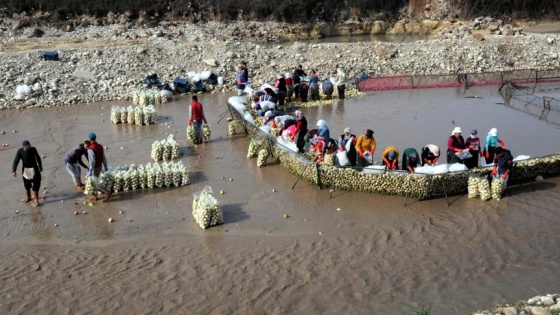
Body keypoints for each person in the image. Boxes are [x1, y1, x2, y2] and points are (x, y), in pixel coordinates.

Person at [12, 140, 43, 206]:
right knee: (27, 184)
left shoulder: (33, 149)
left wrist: (40, 166)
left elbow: (38, 158)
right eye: (26, 147)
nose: (28, 148)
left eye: (29, 146)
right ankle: (28, 197)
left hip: (34, 168)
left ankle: (36, 199)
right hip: (26, 170)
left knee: (36, 184)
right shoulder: (20, 151)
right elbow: (16, 161)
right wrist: (14, 171)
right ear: (23, 147)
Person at [86, 133, 112, 202]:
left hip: (95, 168)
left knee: (95, 183)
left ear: (90, 139)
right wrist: (105, 165)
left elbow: (92, 161)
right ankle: (95, 196)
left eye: (88, 138)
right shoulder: (100, 146)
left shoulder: (91, 149)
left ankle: (108, 191)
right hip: (100, 166)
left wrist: (91, 170)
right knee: (96, 180)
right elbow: (103, 157)